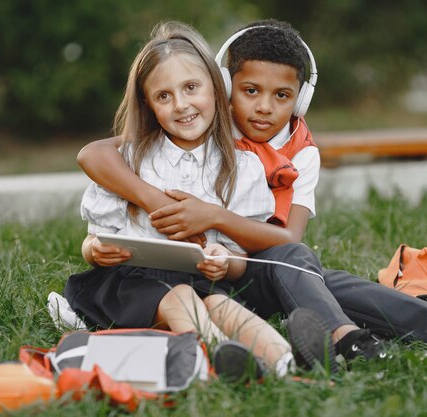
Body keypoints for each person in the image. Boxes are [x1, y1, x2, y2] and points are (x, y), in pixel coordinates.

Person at [75, 20, 427, 368]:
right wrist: (154, 204)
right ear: (226, 89)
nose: (263, 107)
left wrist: (210, 216)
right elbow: (96, 153)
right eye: (249, 92)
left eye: (280, 96)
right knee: (312, 276)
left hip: (254, 261)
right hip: (204, 272)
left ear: (299, 99)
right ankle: (321, 341)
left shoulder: (292, 155)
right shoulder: (194, 128)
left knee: (311, 271)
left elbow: (288, 242)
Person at [62, 20, 331, 382]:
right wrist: (96, 251)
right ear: (149, 105)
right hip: (129, 283)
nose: (181, 105)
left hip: (204, 281)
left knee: (222, 303)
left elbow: (237, 258)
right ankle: (214, 354)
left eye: (191, 88)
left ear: (217, 89)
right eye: (164, 96)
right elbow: (93, 242)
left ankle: (288, 362)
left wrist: (224, 263)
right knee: (183, 298)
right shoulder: (130, 160)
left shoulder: (244, 167)